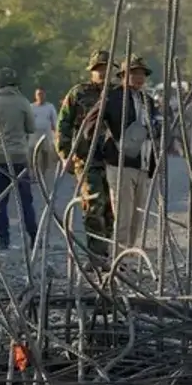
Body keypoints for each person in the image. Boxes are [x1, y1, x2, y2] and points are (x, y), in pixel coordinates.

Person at [57, 49, 116, 261]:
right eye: (98, 69)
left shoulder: (118, 93)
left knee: (112, 209)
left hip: (114, 160)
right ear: (91, 71)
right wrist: (65, 155)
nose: (103, 73)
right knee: (93, 206)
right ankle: (96, 255)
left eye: (106, 69)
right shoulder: (78, 93)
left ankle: (109, 252)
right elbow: (63, 125)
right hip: (86, 159)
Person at [102, 54, 161, 250]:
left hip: (143, 164)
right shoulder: (113, 97)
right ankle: (118, 257)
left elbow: (156, 126)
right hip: (121, 164)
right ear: (123, 75)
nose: (139, 77)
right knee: (123, 216)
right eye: (134, 73)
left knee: (137, 217)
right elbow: (93, 125)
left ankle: (128, 254)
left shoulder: (148, 100)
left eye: (142, 74)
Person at [0, 67, 37, 250]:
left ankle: (4, 240)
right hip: (19, 157)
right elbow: (31, 128)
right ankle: (33, 237)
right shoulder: (23, 102)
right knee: (26, 201)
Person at [30, 87, 59, 191]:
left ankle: (43, 173)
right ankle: (34, 173)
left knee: (45, 153)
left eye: (42, 94)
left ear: (45, 95)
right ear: (35, 96)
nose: (40, 96)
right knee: (32, 153)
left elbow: (54, 121)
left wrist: (56, 133)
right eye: (38, 94)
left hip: (46, 133)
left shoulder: (50, 107)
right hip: (34, 134)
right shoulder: (31, 107)